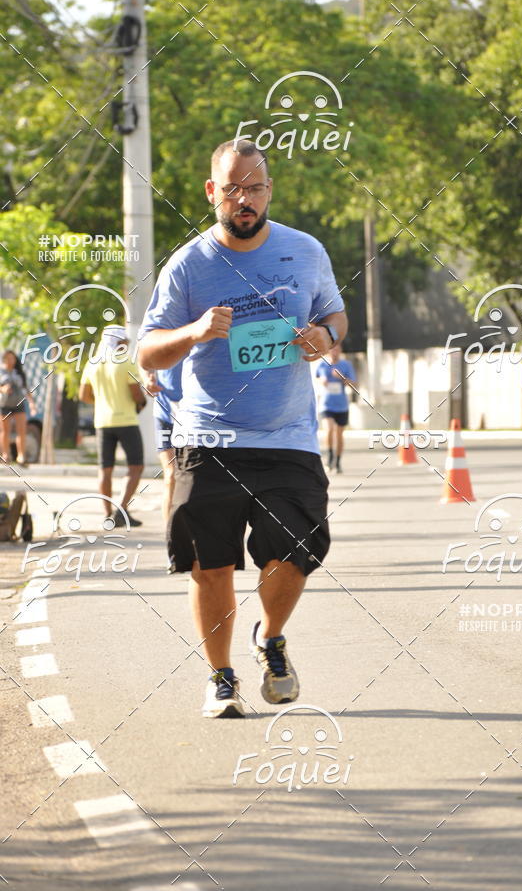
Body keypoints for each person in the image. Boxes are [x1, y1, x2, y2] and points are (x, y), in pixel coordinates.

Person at [138, 138, 348, 719]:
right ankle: (221, 676)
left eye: (254, 188)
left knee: (295, 553)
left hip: (287, 435)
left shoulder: (305, 251)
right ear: (213, 192)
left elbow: (334, 313)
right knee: (210, 566)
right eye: (232, 188)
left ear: (269, 191)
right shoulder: (189, 265)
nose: (244, 199)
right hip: (207, 439)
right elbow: (149, 352)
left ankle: (270, 637)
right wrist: (196, 331)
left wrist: (326, 338)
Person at [79, 325, 146, 527]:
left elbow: (83, 395)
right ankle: (122, 509)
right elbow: (136, 393)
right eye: (125, 341)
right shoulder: (126, 361)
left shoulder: (93, 362)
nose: (127, 345)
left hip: (102, 422)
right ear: (119, 342)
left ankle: (108, 514)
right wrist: (141, 402)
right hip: (126, 421)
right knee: (136, 466)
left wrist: (102, 403)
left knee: (105, 469)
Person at [142, 360, 183, 522]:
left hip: (196, 414)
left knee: (198, 478)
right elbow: (143, 358)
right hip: (165, 412)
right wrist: (147, 378)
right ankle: (170, 537)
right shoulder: (160, 333)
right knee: (171, 475)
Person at [316, 345, 357, 474]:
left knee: (339, 434)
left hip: (341, 405)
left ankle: (337, 462)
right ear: (328, 351)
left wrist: (341, 378)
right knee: (329, 429)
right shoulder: (322, 364)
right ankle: (329, 458)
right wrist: (321, 381)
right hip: (326, 404)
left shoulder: (346, 365)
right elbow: (317, 378)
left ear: (340, 351)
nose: (334, 352)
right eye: (332, 349)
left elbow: (354, 384)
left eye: (337, 349)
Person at [0, 349, 37, 467]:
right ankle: (6, 455)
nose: (11, 361)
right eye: (8, 358)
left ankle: (21, 456)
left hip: (19, 404)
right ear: (4, 359)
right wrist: (2, 389)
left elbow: (26, 389)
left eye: (13, 358)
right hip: (4, 404)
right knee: (5, 431)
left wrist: (31, 404)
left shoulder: (19, 373)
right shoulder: (1, 372)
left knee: (22, 430)